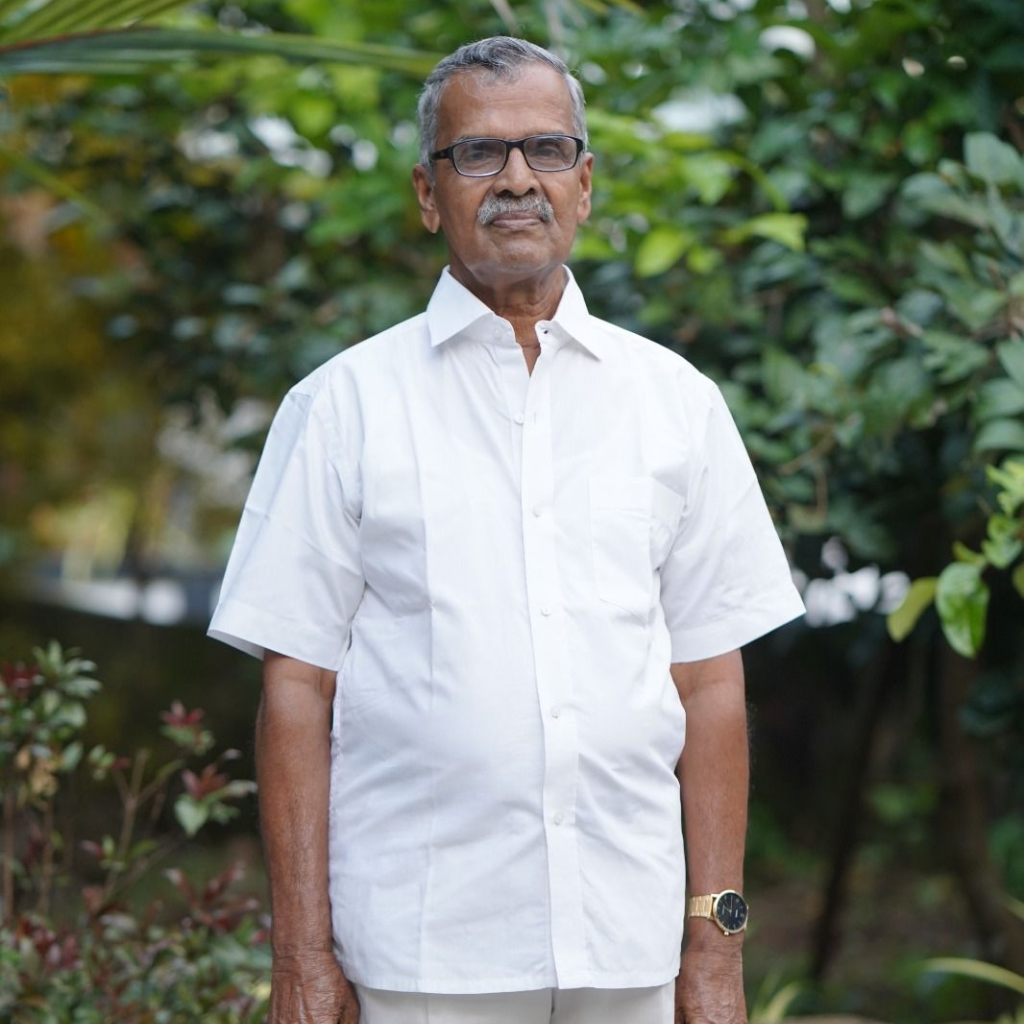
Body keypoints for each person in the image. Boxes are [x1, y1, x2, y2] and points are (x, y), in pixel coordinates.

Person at [209, 35, 804, 1024]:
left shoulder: (675, 403)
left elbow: (708, 682)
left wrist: (716, 946)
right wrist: (302, 953)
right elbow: (296, 687)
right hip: (424, 953)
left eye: (547, 150)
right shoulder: (342, 407)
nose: (518, 179)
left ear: (585, 183)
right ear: (427, 192)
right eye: (480, 153)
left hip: (630, 947)